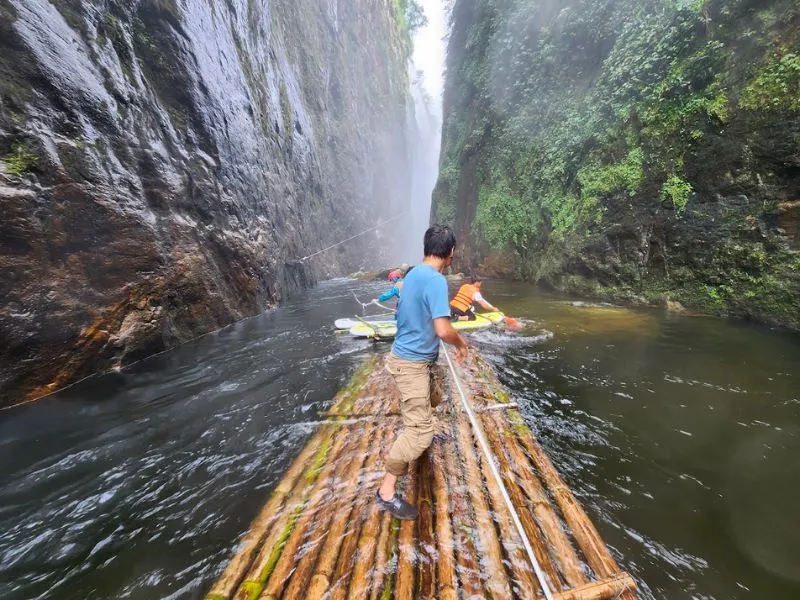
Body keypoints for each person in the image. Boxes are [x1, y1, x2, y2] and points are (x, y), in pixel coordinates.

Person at [376, 226, 468, 520]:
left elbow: (408, 312)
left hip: (415, 359)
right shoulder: (437, 282)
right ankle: (386, 493)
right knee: (418, 432)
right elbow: (443, 329)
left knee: (434, 395)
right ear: (450, 253)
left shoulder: (413, 274)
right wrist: (461, 343)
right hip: (411, 364)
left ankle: (423, 429)